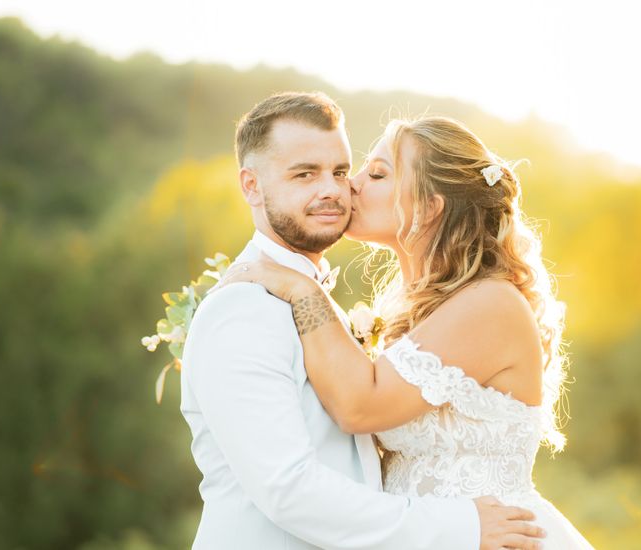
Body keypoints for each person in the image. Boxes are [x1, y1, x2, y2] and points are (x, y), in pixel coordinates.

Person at [180, 92, 546, 550]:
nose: (341, 188)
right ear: (251, 185)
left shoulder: (485, 304)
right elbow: (289, 488)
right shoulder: (242, 309)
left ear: (430, 207)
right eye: (305, 174)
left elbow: (360, 406)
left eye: (348, 171)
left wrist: (304, 289)